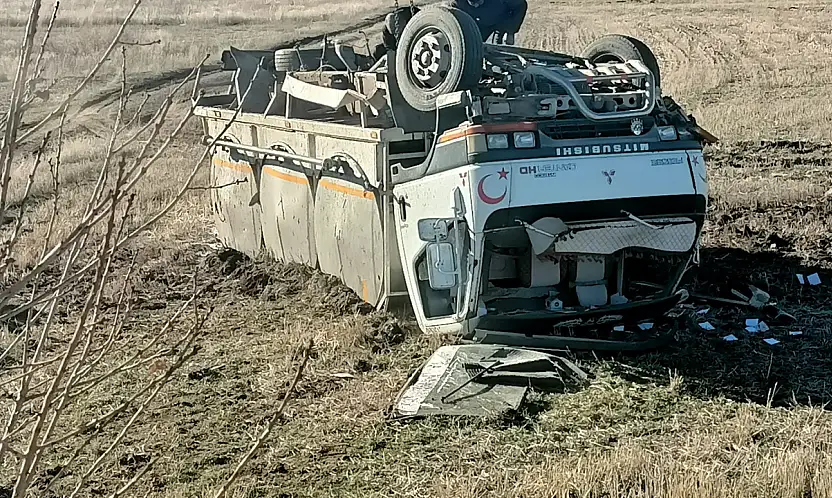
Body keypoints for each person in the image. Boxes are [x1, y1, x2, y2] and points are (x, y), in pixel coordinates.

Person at [445, 0, 527, 44]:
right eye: (473, 3)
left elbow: (521, 5)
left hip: (501, 20)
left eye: (479, 2)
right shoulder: (456, 3)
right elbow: (448, 17)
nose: (476, 5)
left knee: (500, 49)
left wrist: (511, 31)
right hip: (478, 24)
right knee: (473, 47)